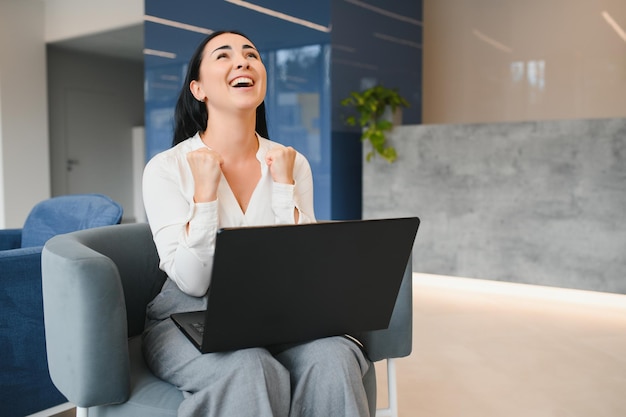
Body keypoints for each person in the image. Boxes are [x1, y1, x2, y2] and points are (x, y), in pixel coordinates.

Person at [141, 30, 371, 417]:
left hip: (280, 312)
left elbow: (305, 269)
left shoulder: (291, 163)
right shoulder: (167, 168)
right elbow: (194, 282)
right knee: (248, 366)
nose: (243, 60)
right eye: (224, 55)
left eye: (251, 54)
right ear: (199, 89)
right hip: (189, 315)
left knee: (334, 356)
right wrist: (205, 195)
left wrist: (284, 190)